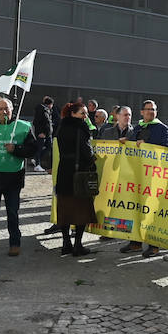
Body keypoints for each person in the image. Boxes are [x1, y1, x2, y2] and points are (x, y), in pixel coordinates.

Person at [0, 95, 37, 257]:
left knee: (12, 212)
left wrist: (17, 149)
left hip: (13, 177)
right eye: (0, 108)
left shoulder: (24, 126)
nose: (4, 111)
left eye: (7, 108)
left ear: (13, 110)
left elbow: (33, 149)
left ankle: (15, 243)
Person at [123, 100, 168, 258]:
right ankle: (135, 242)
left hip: (154, 177)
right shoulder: (136, 128)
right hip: (137, 177)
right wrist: (126, 143)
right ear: (142, 112)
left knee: (152, 212)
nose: (151, 112)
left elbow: (167, 149)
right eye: (148, 109)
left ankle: (154, 245)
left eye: (154, 109)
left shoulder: (162, 129)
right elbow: (131, 147)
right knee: (136, 209)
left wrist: (147, 145)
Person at [54, 100, 96, 256]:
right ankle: (78, 245)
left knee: (64, 209)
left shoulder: (61, 127)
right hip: (79, 173)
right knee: (81, 211)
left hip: (64, 171)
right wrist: (93, 160)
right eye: (82, 113)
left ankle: (66, 243)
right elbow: (87, 151)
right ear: (73, 114)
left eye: (85, 113)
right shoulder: (81, 128)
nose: (85, 116)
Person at [31, 94, 55, 173]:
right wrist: (41, 132)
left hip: (47, 134)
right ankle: (37, 164)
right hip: (42, 133)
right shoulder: (41, 109)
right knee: (40, 148)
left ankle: (36, 159)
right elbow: (37, 122)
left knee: (48, 147)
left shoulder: (47, 110)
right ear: (50, 104)